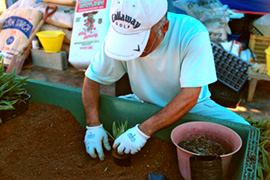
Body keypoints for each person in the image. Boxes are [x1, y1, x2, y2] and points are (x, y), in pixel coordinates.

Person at [82, 0, 249, 161]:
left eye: (140, 44)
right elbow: (92, 78)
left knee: (247, 132)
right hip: (142, 102)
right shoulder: (121, 31)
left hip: (194, 107)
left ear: (164, 27)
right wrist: (93, 126)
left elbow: (190, 96)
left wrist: (142, 131)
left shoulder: (192, 33)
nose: (134, 53)